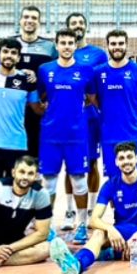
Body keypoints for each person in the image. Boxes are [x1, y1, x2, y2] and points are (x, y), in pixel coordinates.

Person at [49, 143, 137, 274]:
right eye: (121, 158)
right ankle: (77, 264)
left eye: (129, 157)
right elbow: (94, 219)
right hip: (121, 232)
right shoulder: (110, 185)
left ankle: (113, 253)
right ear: (116, 162)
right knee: (98, 233)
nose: (126, 161)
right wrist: (110, 229)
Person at [37, 29, 93, 244]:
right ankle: (48, 227)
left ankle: (82, 225)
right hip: (50, 135)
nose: (67, 46)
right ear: (56, 44)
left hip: (77, 135)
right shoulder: (45, 70)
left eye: (70, 43)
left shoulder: (85, 71)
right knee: (49, 183)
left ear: (75, 45)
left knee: (79, 182)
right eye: (63, 43)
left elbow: (91, 97)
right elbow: (40, 96)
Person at [89, 29, 137, 178]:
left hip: (135, 135)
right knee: (114, 180)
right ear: (107, 46)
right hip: (109, 137)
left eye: (120, 43)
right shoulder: (98, 73)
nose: (117, 47)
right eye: (113, 44)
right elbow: (93, 98)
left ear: (127, 45)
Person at [0, 38, 38, 184]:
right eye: (5, 51)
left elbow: (38, 108)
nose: (9, 55)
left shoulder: (26, 80)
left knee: (16, 187)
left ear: (18, 57)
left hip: (17, 143)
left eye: (13, 53)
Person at [66, 12, 106, 223]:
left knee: (92, 162)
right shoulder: (60, 52)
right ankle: (69, 211)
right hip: (68, 119)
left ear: (86, 26)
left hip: (91, 118)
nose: (77, 26)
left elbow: (102, 84)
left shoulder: (98, 54)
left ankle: (92, 211)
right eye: (73, 23)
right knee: (69, 164)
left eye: (81, 22)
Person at [8, 5, 56, 158]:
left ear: (39, 22)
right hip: (14, 109)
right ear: (20, 20)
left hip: (38, 108)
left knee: (36, 153)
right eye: (26, 17)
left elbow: (55, 74)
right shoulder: (10, 43)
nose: (30, 20)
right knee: (13, 155)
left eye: (34, 18)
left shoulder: (49, 47)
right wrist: (19, 74)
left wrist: (38, 79)